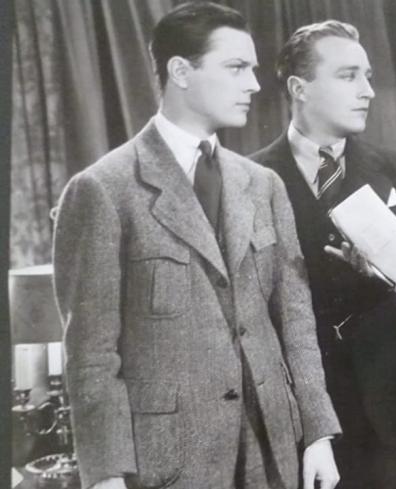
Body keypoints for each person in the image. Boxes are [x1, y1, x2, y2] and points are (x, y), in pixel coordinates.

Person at [52, 3, 341, 489]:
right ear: (181, 72)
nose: (254, 84)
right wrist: (105, 476)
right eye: (236, 67)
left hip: (270, 456)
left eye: (252, 69)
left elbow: (295, 322)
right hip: (168, 464)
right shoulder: (104, 189)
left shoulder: (262, 185)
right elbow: (92, 355)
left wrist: (318, 434)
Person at [249, 20, 396, 489]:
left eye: (368, 76)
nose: (368, 91)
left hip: (389, 405)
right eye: (348, 76)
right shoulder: (252, 178)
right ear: (300, 88)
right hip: (298, 410)